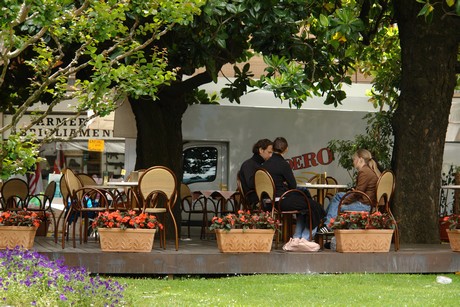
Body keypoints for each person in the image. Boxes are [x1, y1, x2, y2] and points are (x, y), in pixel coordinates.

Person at [262, 137, 324, 252]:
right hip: (282, 201)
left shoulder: (264, 165)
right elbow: (293, 185)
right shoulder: (283, 164)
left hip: (267, 203)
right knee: (314, 206)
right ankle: (305, 239)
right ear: (286, 150)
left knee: (303, 205)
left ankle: (296, 238)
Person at [319, 148, 381, 233]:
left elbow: (357, 194)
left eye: (354, 159)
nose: (353, 162)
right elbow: (360, 191)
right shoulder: (368, 170)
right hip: (365, 202)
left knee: (338, 206)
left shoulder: (364, 172)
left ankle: (327, 224)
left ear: (360, 159)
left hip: (364, 205)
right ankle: (325, 220)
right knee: (338, 195)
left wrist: (344, 201)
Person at [239, 139, 273, 207]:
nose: (271, 155)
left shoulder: (260, 164)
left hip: (263, 197)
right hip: (255, 200)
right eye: (269, 152)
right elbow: (251, 183)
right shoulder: (248, 164)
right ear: (261, 150)